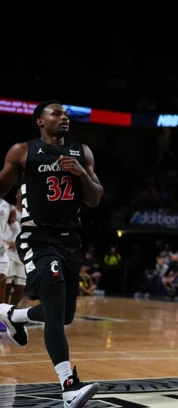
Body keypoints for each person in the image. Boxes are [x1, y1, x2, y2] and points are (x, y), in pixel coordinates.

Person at [0, 101, 103, 408]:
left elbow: (95, 198)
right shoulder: (23, 151)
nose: (64, 117)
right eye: (56, 113)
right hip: (37, 238)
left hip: (69, 240)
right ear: (40, 122)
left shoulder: (82, 152)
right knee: (55, 311)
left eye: (66, 114)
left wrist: (81, 174)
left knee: (64, 315)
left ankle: (13, 316)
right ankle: (69, 386)